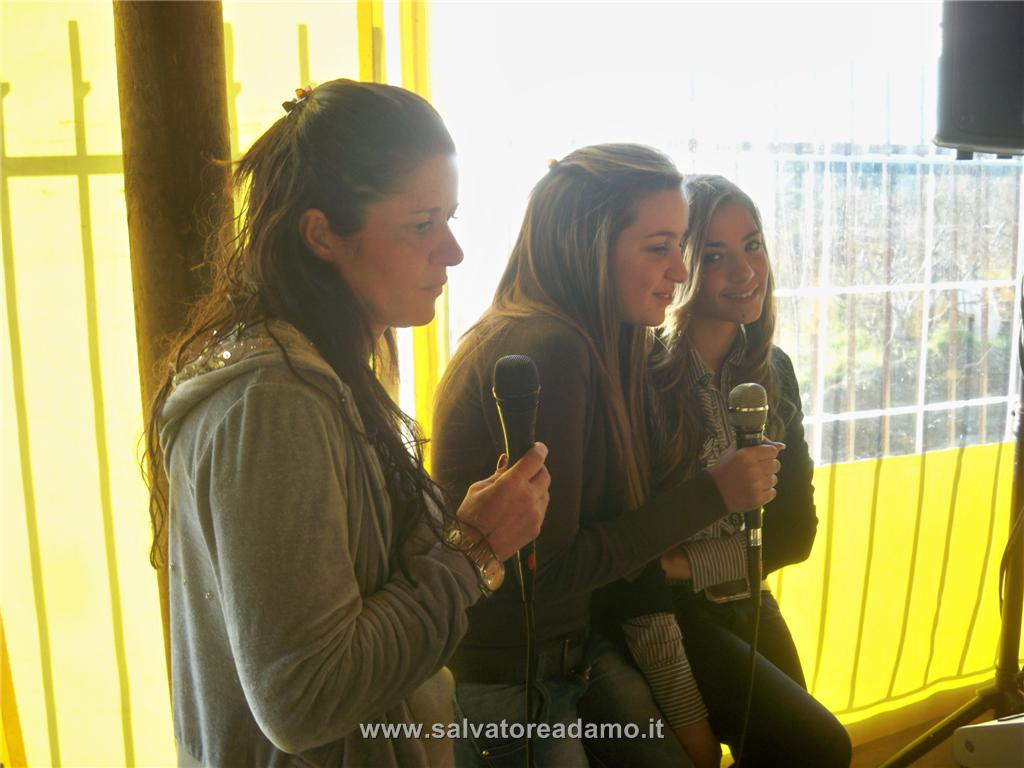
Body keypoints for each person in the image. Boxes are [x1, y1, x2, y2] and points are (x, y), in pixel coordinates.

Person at [143, 79, 550, 767]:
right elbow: (304, 697)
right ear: (323, 234)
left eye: (450, 218)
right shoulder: (276, 401)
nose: (451, 251)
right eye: (421, 224)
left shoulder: (325, 371)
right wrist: (472, 549)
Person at [431, 146, 782, 767]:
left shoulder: (594, 341)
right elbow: (546, 572)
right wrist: (714, 493)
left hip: (571, 651)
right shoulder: (550, 347)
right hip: (513, 679)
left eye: (681, 246)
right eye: (659, 247)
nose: (680, 270)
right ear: (587, 247)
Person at [651, 174, 852, 766]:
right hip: (671, 618)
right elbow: (636, 559)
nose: (744, 271)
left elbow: (794, 535)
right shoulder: (644, 380)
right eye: (715, 256)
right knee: (820, 747)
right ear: (682, 267)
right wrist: (680, 569)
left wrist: (687, 564)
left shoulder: (774, 370)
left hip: (748, 597)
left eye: (753, 245)